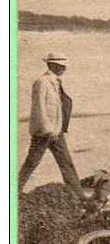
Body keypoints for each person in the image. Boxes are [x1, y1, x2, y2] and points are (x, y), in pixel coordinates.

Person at [19, 53, 86, 201]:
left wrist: (57, 129)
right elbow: (39, 109)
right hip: (44, 133)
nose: (64, 69)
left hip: (57, 132)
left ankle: (80, 196)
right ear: (52, 66)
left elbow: (58, 109)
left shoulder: (55, 82)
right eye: (61, 66)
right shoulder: (42, 82)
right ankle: (15, 190)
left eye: (64, 66)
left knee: (66, 163)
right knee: (32, 163)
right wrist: (48, 130)